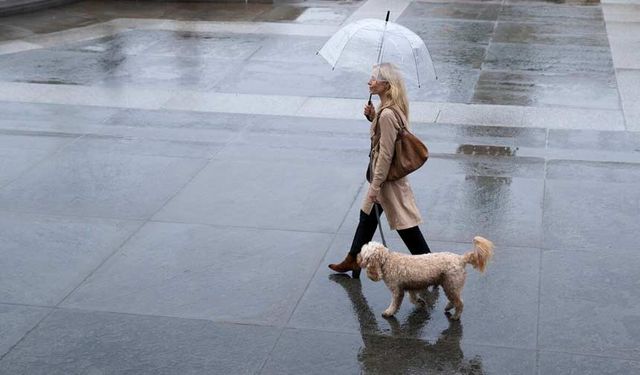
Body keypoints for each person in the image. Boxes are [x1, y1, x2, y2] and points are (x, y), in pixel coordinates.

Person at [329, 63, 431, 278]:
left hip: (386, 180)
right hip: (383, 177)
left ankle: (430, 267)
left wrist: (375, 186)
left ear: (386, 85)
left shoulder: (387, 115)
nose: (370, 82)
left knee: (406, 227)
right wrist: (372, 117)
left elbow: (386, 154)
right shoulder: (389, 110)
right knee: (366, 216)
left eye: (374, 79)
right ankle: (354, 259)